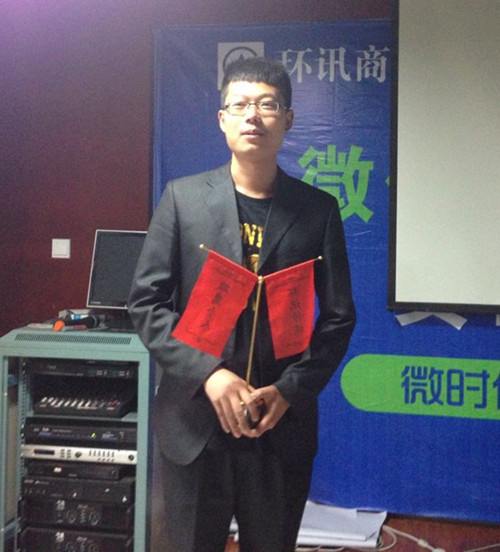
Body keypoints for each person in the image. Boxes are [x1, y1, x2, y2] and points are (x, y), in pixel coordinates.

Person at [128, 56, 356, 552]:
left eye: (267, 105)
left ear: (288, 119)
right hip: (194, 423)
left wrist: (290, 389)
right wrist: (209, 374)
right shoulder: (183, 199)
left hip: (279, 426)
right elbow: (146, 302)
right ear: (222, 118)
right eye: (240, 105)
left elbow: (338, 318)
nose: (253, 115)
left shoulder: (317, 210)